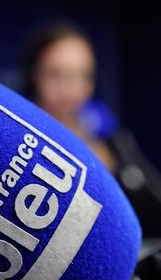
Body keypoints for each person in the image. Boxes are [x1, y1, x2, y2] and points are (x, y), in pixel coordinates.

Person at [21, 22, 115, 172]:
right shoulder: (17, 131)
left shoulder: (99, 122)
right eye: (56, 75)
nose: (71, 89)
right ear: (33, 73)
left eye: (84, 75)